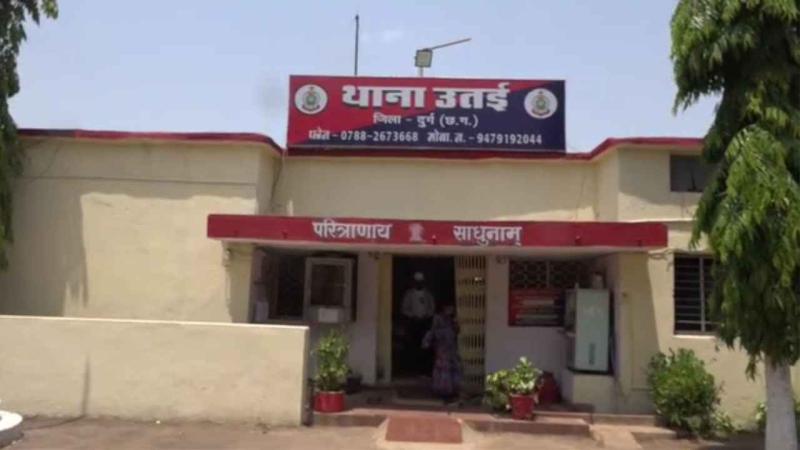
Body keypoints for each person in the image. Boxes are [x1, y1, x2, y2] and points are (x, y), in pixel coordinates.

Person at [423, 303, 463, 403]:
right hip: (442, 347)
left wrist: (455, 323)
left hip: (451, 348)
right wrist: (427, 341)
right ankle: (443, 391)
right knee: (443, 368)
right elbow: (432, 330)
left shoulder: (452, 320)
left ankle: (453, 390)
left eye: (452, 308)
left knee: (453, 367)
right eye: (449, 308)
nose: (450, 310)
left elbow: (457, 331)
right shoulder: (438, 318)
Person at [401, 272, 436, 375]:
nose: (418, 283)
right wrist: (413, 316)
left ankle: (425, 370)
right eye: (417, 282)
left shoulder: (428, 294)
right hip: (413, 323)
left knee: (426, 346)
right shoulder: (409, 294)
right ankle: (414, 370)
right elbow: (404, 309)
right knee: (413, 346)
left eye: (420, 281)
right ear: (413, 282)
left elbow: (432, 308)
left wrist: (427, 315)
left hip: (425, 323)